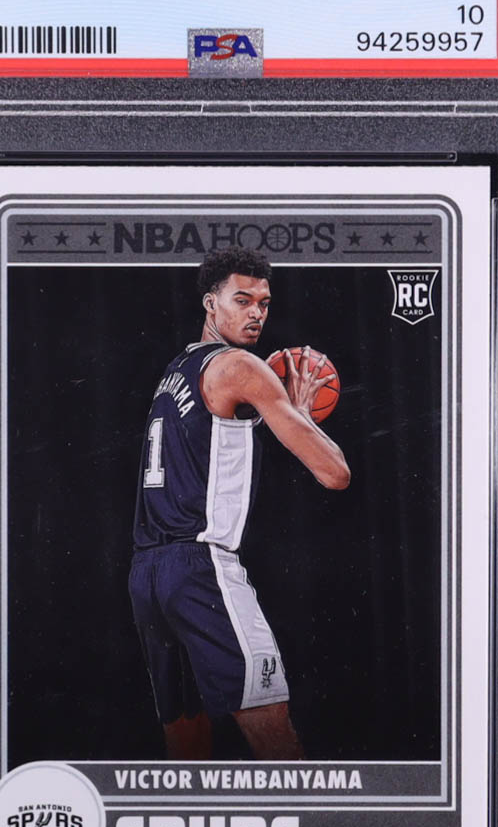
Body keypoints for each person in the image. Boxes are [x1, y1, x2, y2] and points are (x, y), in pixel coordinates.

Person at [129, 247, 351, 761]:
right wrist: (298, 414)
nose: (256, 314)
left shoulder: (176, 369)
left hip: (147, 574)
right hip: (201, 567)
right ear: (211, 303)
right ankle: (306, 817)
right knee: (272, 728)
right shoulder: (241, 366)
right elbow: (335, 473)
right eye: (243, 300)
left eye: (264, 304)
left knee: (186, 739)